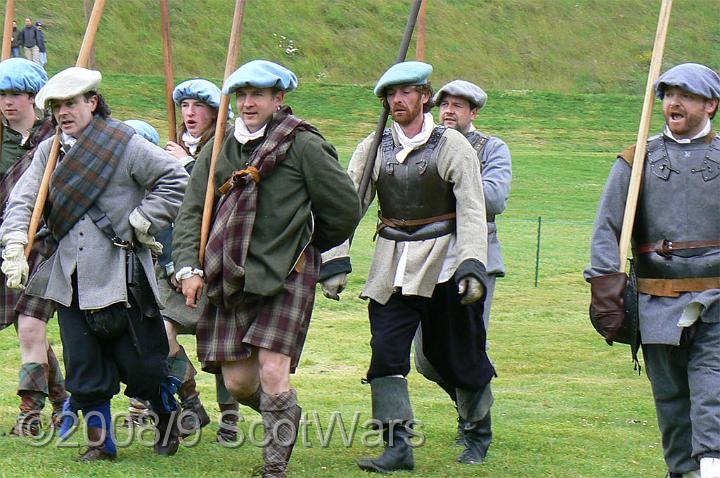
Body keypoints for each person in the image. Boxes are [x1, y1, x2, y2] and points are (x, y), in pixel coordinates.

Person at [172, 59, 360, 477]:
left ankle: (274, 468)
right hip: (229, 274)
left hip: (286, 275)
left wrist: (305, 246)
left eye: (258, 94)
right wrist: (189, 267)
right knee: (239, 383)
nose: (248, 103)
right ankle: (284, 414)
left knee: (273, 370)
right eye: (242, 95)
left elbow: (346, 207)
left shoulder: (304, 145)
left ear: (279, 99)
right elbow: (192, 211)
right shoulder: (219, 145)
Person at [0, 66, 189, 461]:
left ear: (93, 102)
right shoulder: (49, 151)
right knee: (85, 371)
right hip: (70, 279)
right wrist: (16, 241)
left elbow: (175, 178)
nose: (63, 112)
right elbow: (23, 199)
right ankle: (101, 444)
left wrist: (143, 219)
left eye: (71, 103)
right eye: (56, 106)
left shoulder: (125, 144)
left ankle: (166, 412)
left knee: (142, 368)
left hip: (124, 275)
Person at [320, 61, 495, 473]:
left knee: (456, 356)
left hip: (446, 264)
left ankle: (476, 431)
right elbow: (349, 206)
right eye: (391, 94)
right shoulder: (373, 147)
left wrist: (472, 264)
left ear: (424, 95)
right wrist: (334, 260)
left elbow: (472, 208)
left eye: (406, 92)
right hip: (392, 264)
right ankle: (398, 446)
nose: (398, 100)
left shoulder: (451, 145)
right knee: (386, 354)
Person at [585, 62, 720, 478]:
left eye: (686, 95)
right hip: (656, 305)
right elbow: (607, 228)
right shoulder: (636, 161)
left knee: (712, 398)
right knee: (671, 403)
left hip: (717, 304)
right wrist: (605, 285)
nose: (674, 103)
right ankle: (682, 472)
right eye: (668, 94)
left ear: (711, 105)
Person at [410, 79, 512, 465]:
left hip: (475, 262)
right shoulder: (424, 144)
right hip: (427, 260)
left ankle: (475, 431)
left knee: (467, 348)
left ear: (474, 112)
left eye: (458, 105)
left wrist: (456, 179)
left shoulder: (492, 149)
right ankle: (473, 403)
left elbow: (495, 198)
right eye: (444, 104)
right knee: (426, 359)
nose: (449, 111)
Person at [161, 79, 240, 443]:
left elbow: (219, 189)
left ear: (216, 111)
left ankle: (230, 417)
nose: (189, 113)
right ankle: (190, 399)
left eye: (198, 106)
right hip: (179, 259)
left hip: (218, 258)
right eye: (185, 106)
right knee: (163, 333)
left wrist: (188, 164)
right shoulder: (171, 148)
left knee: (222, 345)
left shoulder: (229, 146)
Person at [0, 58, 68, 437]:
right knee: (30, 333)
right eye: (3, 94)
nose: (8, 103)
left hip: (46, 242)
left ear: (34, 97)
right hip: (5, 241)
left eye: (17, 94)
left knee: (30, 327)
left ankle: (30, 411)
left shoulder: (55, 137)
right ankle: (61, 399)